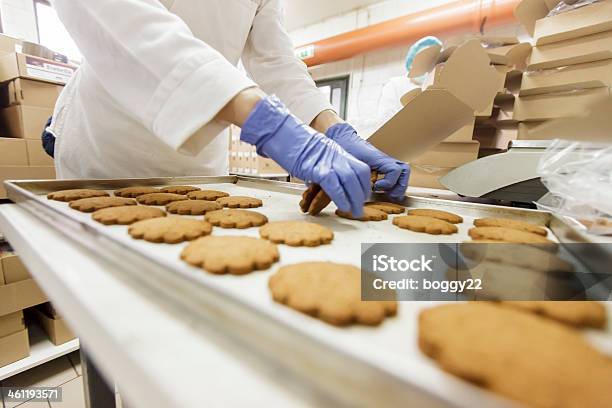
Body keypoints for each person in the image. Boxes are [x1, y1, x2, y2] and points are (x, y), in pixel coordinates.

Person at [48, 0, 409, 217]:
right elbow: (123, 23)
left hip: (198, 167)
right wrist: (270, 125)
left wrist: (332, 128)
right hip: (109, 149)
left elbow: (274, 57)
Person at [378, 36, 442, 121]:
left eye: (432, 61)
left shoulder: (436, 86)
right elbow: (384, 121)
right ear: (412, 62)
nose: (427, 65)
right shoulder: (395, 85)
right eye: (423, 59)